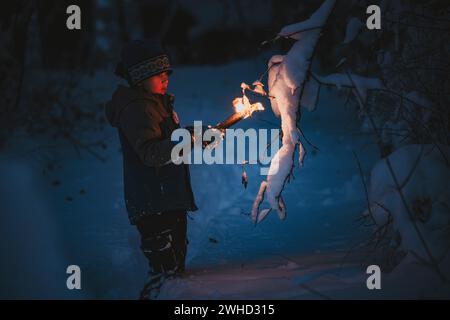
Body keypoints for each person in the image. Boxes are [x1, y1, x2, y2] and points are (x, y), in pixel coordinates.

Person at [105, 40, 198, 299]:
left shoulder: (156, 102)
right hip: (152, 200)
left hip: (167, 196)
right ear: (139, 78)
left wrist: (195, 135)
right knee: (164, 270)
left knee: (175, 266)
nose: (165, 78)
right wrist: (187, 141)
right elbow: (150, 153)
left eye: (167, 72)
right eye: (158, 74)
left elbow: (168, 139)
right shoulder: (137, 109)